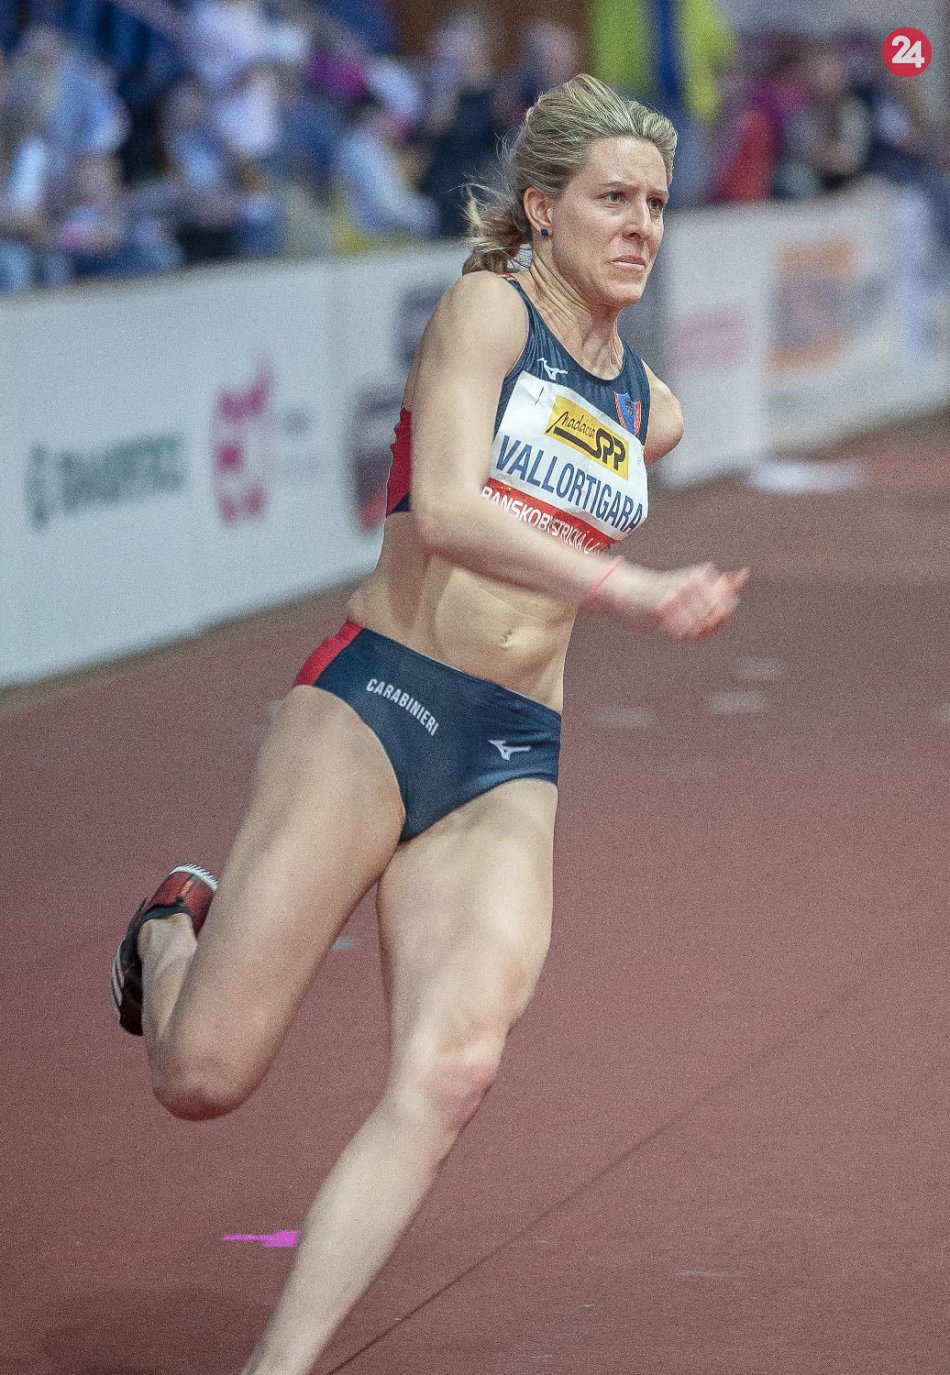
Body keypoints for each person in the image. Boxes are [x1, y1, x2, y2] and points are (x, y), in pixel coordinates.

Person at [110, 73, 747, 1375]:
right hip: (379, 699)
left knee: (452, 1071)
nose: (641, 226)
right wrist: (630, 589)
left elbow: (587, 479)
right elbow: (448, 511)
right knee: (202, 1079)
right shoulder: (485, 310)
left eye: (657, 204)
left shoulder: (652, 406)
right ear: (542, 208)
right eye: (613, 199)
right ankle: (170, 928)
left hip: (510, 750)